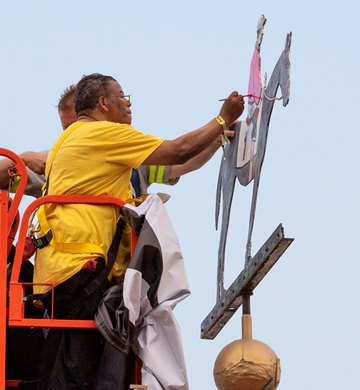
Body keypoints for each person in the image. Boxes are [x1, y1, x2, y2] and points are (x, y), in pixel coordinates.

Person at [33, 73, 244, 389]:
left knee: (76, 362)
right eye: (120, 95)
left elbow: (182, 161)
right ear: (103, 103)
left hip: (61, 273)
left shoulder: (66, 146)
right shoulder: (106, 137)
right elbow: (178, 151)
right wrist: (222, 118)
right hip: (87, 270)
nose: (126, 102)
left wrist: (216, 137)